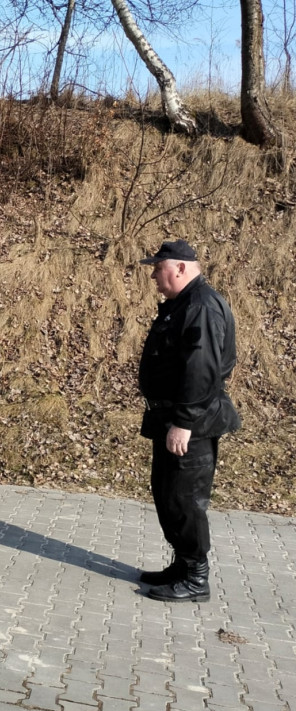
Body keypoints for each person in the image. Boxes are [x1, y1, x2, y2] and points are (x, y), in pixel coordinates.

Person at [137, 239, 241, 603]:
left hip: (191, 423)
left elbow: (203, 369)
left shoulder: (200, 307)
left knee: (185, 500)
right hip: (171, 417)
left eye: (158, 267)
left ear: (180, 267)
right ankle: (182, 565)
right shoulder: (183, 304)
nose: (153, 275)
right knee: (167, 494)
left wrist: (184, 421)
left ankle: (196, 578)